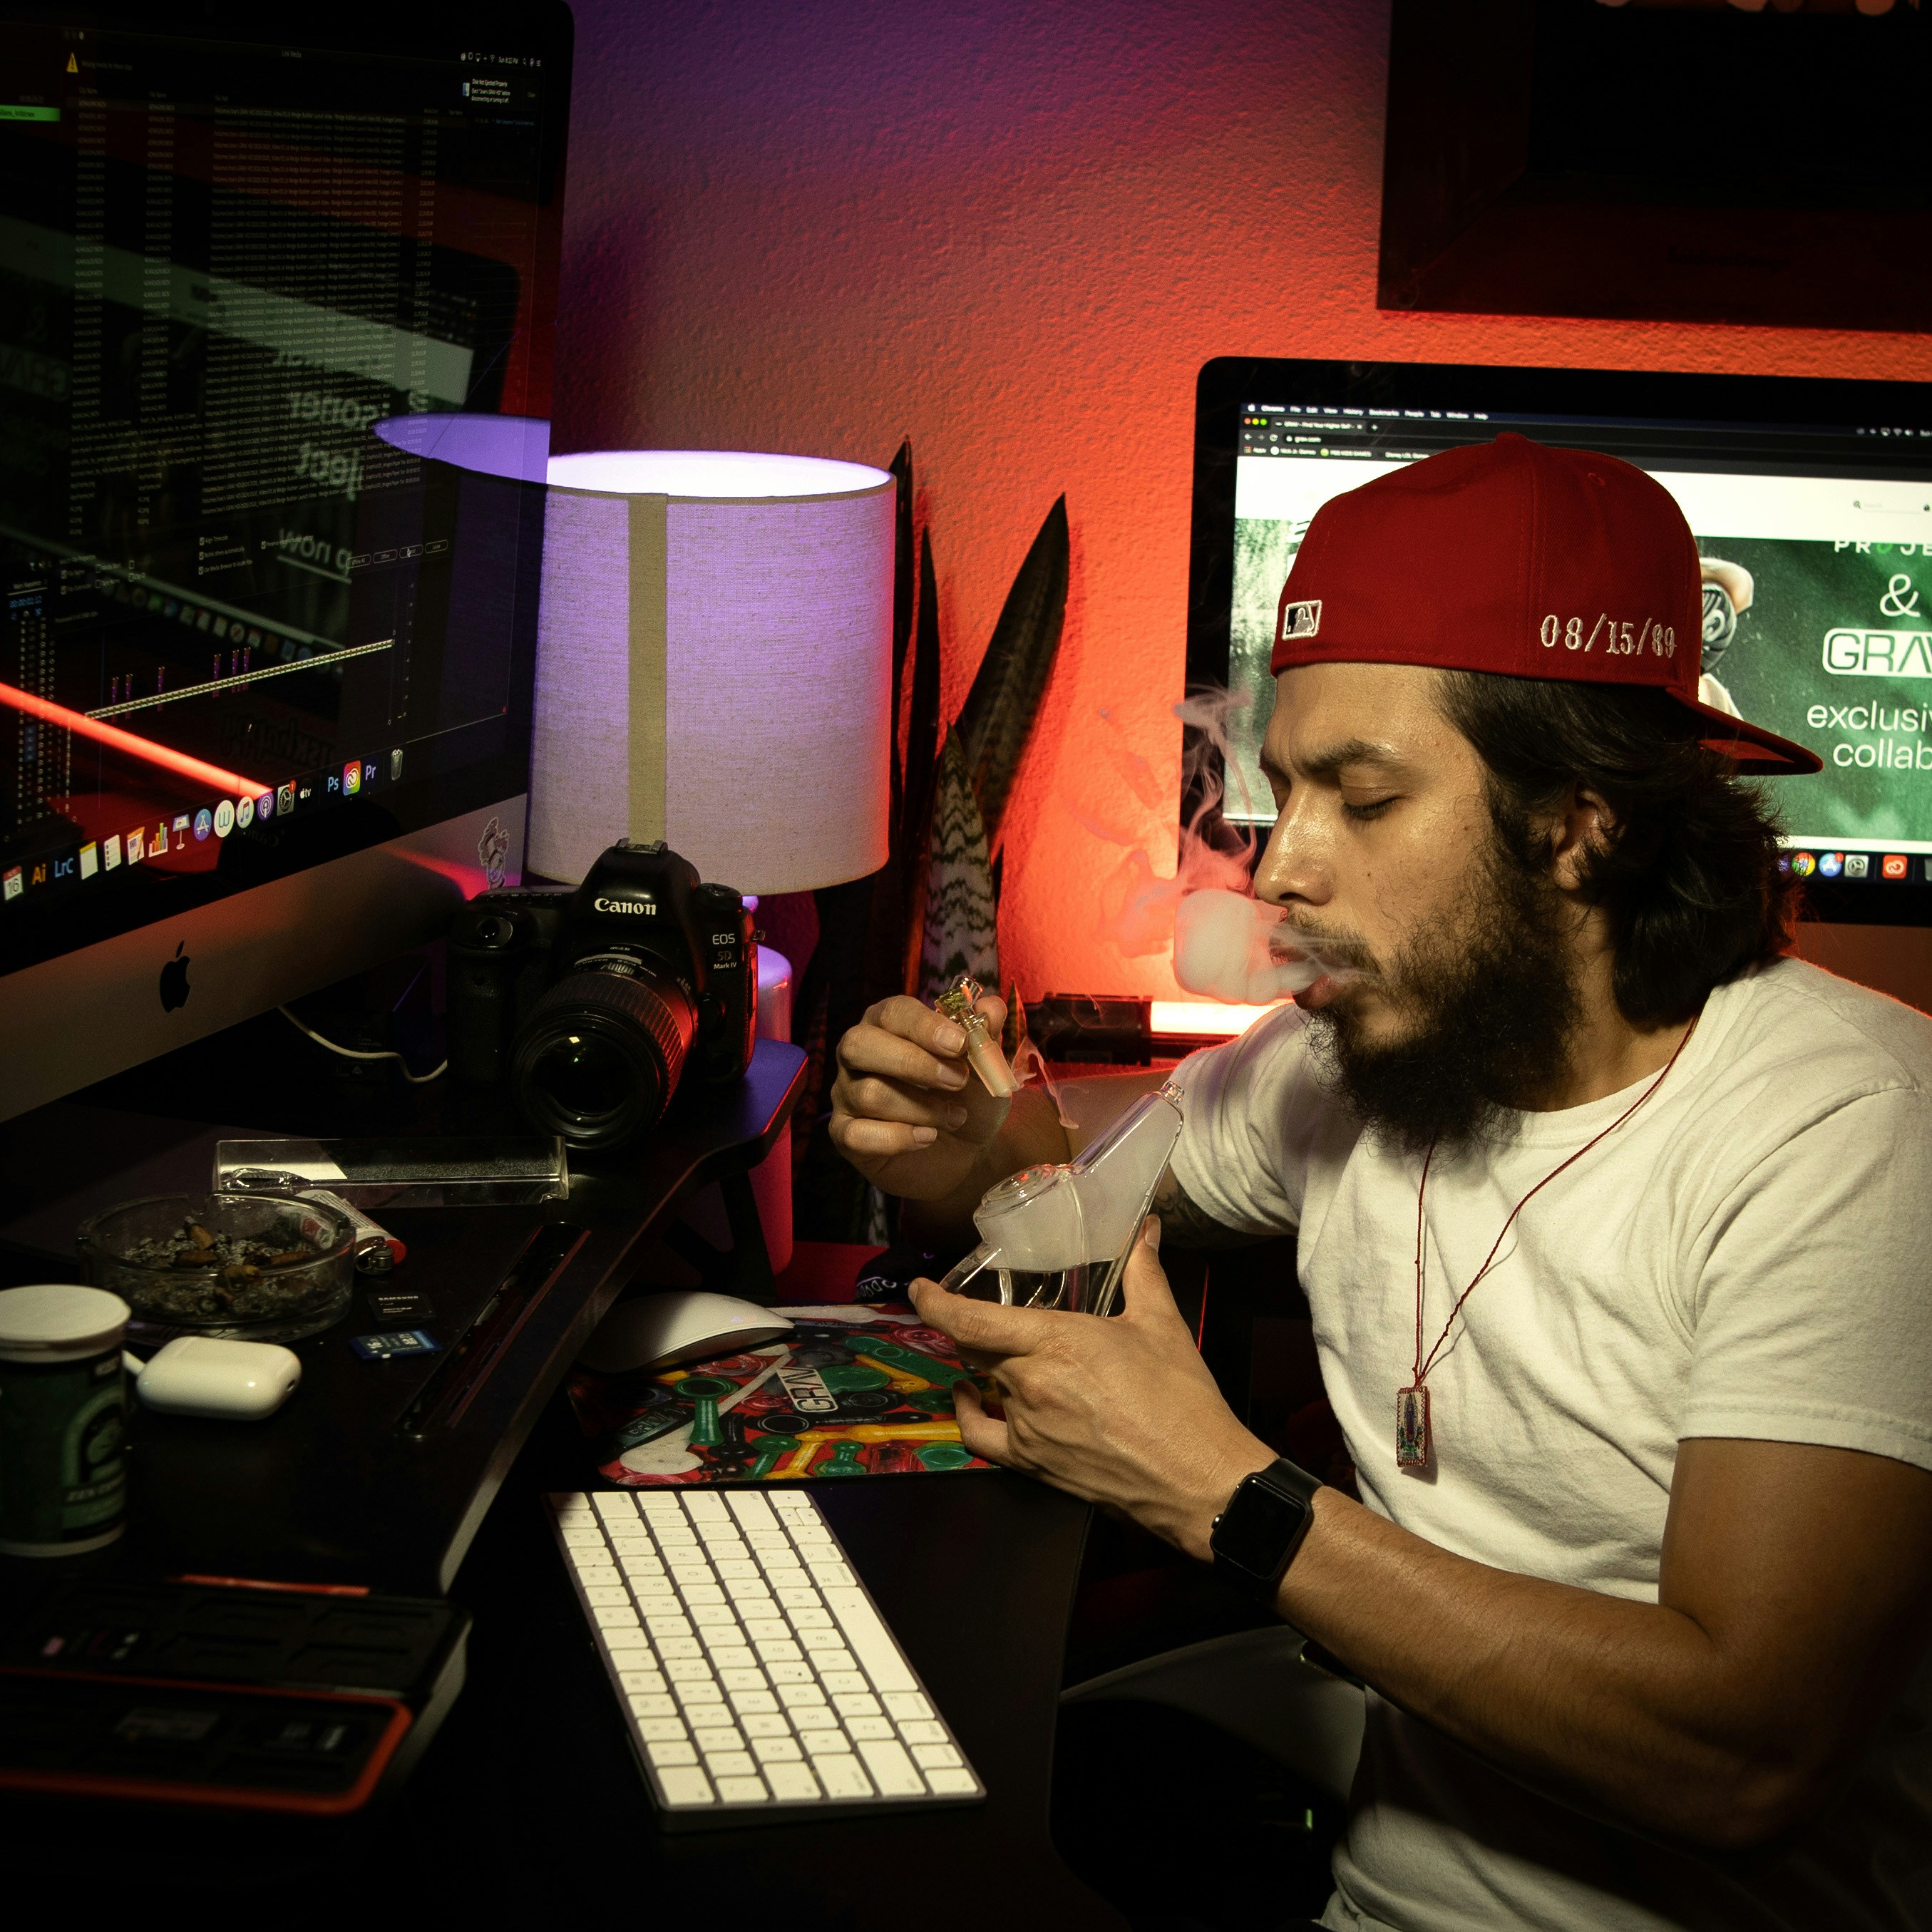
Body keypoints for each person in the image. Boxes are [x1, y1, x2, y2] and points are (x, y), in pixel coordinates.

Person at [828, 436, 1932, 1932]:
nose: (1278, 867)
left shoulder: (1847, 1128)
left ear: (1578, 823)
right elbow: (1063, 1186)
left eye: (1358, 796)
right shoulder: (1345, 1056)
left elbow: (1739, 1754)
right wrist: (953, 1139)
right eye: (1282, 787)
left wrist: (1221, 1492)